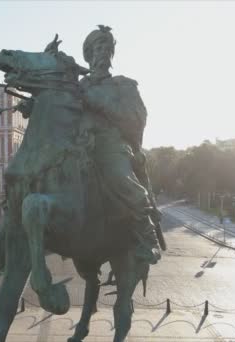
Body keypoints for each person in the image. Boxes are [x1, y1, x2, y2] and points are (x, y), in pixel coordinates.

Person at [80, 25, 161, 264]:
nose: (103, 51)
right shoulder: (78, 86)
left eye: (108, 46)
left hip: (111, 146)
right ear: (88, 53)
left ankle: (148, 239)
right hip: (78, 145)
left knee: (122, 180)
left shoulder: (124, 85)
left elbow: (137, 119)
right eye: (98, 46)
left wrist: (102, 104)